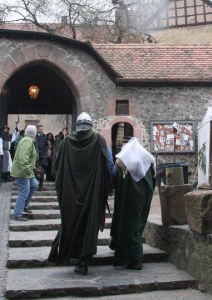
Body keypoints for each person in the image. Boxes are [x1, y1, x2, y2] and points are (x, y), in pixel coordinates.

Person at [48, 112, 111, 275]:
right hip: (93, 192)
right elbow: (108, 166)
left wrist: (62, 190)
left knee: (70, 222)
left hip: (70, 193)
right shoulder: (99, 140)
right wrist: (107, 188)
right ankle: (84, 260)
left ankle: (71, 254)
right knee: (89, 225)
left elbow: (57, 169)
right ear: (91, 125)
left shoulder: (66, 141)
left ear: (77, 125)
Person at [109, 136, 156, 270]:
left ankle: (134, 258)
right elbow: (153, 179)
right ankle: (133, 256)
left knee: (127, 225)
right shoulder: (148, 159)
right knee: (136, 225)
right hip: (143, 199)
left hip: (127, 200)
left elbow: (115, 178)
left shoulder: (122, 161)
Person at [10, 125, 39, 221]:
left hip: (26, 170)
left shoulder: (27, 139)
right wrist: (27, 169)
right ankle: (17, 213)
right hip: (23, 171)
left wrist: (32, 166)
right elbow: (23, 158)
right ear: (33, 133)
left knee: (34, 184)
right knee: (24, 191)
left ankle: (24, 206)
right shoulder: (28, 141)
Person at [35, 124, 48, 189]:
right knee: (35, 169)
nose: (42, 130)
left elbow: (46, 146)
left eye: (42, 129)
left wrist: (45, 153)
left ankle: (41, 184)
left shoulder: (45, 136)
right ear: (37, 129)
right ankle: (35, 183)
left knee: (42, 169)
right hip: (36, 155)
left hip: (43, 156)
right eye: (40, 129)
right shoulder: (35, 136)